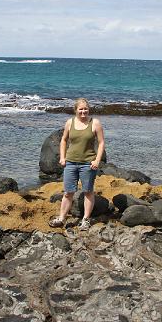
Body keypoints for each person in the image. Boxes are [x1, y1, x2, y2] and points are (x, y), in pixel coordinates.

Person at [49, 98, 105, 230]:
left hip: (87, 164)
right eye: (81, 109)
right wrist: (62, 157)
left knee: (88, 191)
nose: (83, 111)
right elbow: (63, 140)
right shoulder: (70, 122)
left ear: (88, 109)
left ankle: (85, 219)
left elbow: (101, 143)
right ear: (76, 110)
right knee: (68, 192)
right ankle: (61, 218)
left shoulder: (95, 123)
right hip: (70, 163)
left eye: (85, 109)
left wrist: (97, 160)